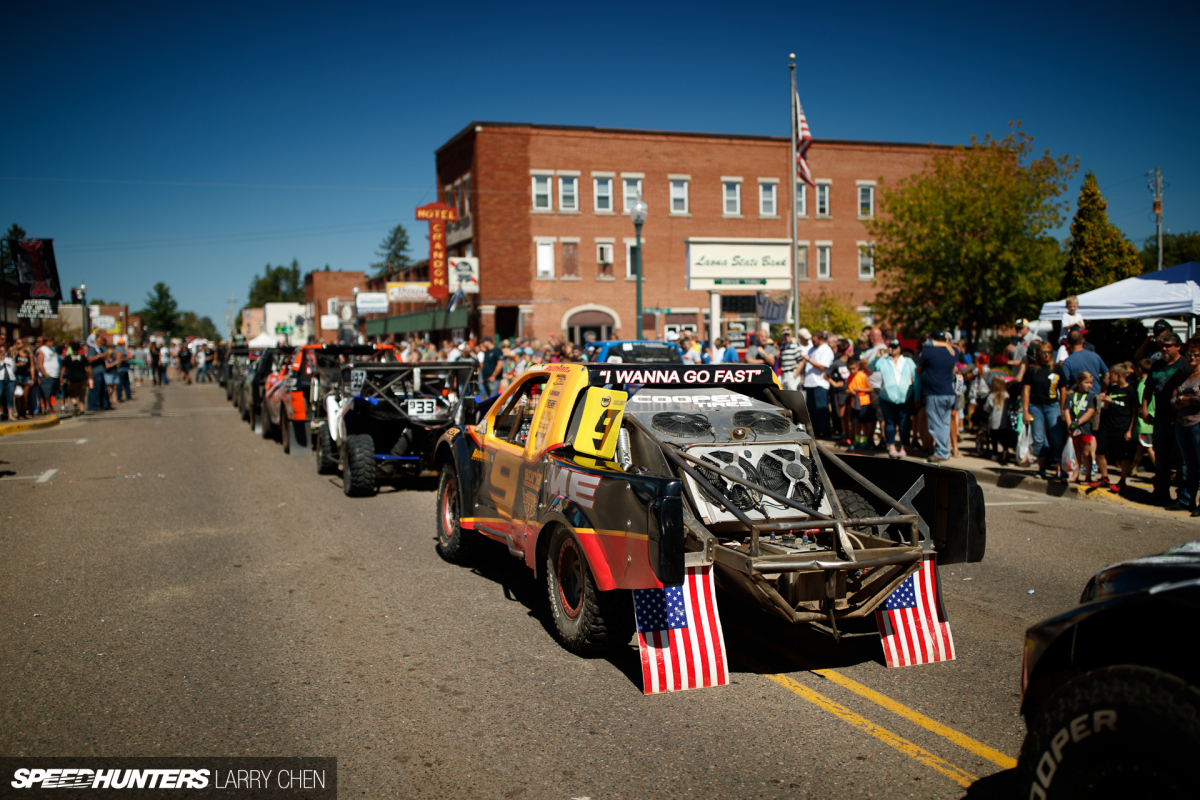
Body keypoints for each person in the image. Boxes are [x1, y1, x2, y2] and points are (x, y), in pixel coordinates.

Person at [1143, 332, 1187, 505]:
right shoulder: (1157, 365)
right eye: (1162, 345)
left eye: (1168, 345)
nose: (1164, 348)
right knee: (1161, 458)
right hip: (1160, 418)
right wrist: (1145, 409)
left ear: (1178, 346)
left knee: (1181, 459)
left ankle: (1183, 496)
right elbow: (1148, 390)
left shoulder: (1184, 365)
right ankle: (1160, 492)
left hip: (1179, 418)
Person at [1022, 342, 1067, 480]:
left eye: (1049, 352)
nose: (1046, 355)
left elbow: (1063, 389)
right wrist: (1025, 410)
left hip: (1053, 405)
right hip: (1036, 406)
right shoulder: (1032, 369)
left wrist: (1063, 409)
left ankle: (1060, 468)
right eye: (1043, 352)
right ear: (1038, 354)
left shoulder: (1057, 369)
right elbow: (1026, 390)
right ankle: (1041, 467)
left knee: (1056, 436)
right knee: (1038, 437)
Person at [1095, 363, 1137, 493]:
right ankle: (1104, 477)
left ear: (1119, 375)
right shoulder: (1112, 389)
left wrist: (1130, 430)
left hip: (1123, 426)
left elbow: (1135, 412)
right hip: (1108, 425)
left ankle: (1122, 480)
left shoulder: (1131, 391)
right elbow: (1108, 407)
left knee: (1123, 456)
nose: (1108, 377)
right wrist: (1106, 403)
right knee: (1100, 451)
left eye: (1110, 375)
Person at [916, 331, 958, 462]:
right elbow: (957, 348)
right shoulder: (952, 351)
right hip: (948, 393)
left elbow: (918, 370)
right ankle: (944, 450)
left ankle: (941, 452)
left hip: (934, 393)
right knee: (944, 424)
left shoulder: (928, 351)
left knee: (936, 425)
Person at [1171, 340, 1200, 515]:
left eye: (1196, 354)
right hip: (1182, 423)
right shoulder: (1184, 377)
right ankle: (1186, 499)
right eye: (1189, 354)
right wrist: (1190, 399)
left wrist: (1186, 399)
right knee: (1189, 464)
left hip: (1198, 423)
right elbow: (1173, 401)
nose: (1192, 358)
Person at [875, 339, 915, 458]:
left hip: (905, 397)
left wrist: (916, 396)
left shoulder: (908, 361)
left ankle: (904, 447)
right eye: (891, 346)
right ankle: (891, 446)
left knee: (904, 423)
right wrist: (877, 357)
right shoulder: (883, 361)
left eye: (896, 346)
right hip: (887, 398)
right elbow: (872, 367)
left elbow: (916, 379)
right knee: (889, 423)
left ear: (900, 348)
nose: (893, 348)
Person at [1064, 372, 1098, 484]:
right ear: (1078, 382)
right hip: (1072, 430)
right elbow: (1067, 411)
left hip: (1085, 428)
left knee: (1086, 453)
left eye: (1091, 383)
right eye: (1086, 382)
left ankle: (1088, 476)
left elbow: (1090, 412)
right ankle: (1075, 474)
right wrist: (1070, 425)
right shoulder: (1070, 396)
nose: (1089, 385)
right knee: (1075, 453)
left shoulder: (1091, 397)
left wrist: (1077, 423)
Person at [798, 330, 834, 438]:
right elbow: (806, 366)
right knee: (812, 411)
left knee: (821, 410)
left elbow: (822, 367)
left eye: (815, 341)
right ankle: (816, 432)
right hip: (810, 383)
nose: (813, 343)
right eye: (812, 341)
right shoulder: (812, 349)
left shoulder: (826, 350)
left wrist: (808, 360)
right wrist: (803, 379)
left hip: (820, 383)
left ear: (821, 339)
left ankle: (826, 432)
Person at [846, 358, 872, 450]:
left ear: (857, 367)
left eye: (853, 369)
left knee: (863, 423)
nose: (852, 371)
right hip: (854, 402)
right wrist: (850, 392)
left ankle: (864, 441)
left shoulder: (863, 376)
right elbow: (847, 390)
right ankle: (857, 441)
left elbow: (870, 389)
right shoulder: (849, 377)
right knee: (855, 422)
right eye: (850, 369)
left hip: (864, 401)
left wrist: (859, 390)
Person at [61, 341, 90, 416]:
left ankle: (75, 404)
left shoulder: (68, 358)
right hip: (82, 378)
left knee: (72, 394)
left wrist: (61, 377)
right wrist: (90, 376)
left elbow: (63, 368)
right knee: (82, 395)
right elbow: (89, 367)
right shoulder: (82, 357)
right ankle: (82, 409)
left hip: (72, 378)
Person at [36, 336, 61, 415]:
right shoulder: (42, 350)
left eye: (52, 341)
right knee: (46, 392)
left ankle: (50, 406)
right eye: (49, 341)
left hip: (55, 375)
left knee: (52, 392)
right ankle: (47, 407)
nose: (51, 343)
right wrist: (45, 373)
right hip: (47, 374)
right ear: (45, 342)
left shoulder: (52, 350)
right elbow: (39, 363)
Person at [0, 344, 15, 421]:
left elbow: (13, 368)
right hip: (1, 379)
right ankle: (1, 412)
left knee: (10, 397)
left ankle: (10, 415)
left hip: (10, 379)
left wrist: (12, 358)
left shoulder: (9, 359)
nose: (2, 353)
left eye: (3, 351)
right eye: (1, 351)